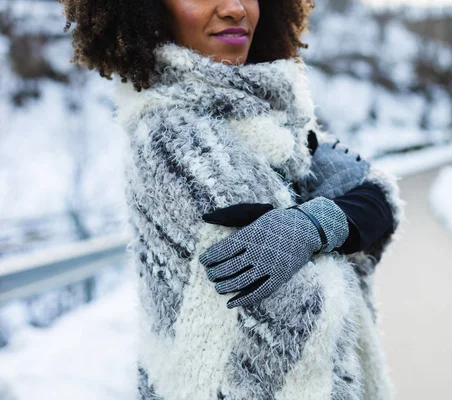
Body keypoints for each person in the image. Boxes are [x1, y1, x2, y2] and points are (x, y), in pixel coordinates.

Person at [60, 0, 404, 398]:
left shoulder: (277, 119)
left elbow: (380, 195)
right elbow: (293, 308)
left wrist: (315, 224)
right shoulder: (175, 142)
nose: (235, 9)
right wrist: (337, 222)